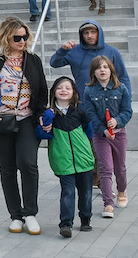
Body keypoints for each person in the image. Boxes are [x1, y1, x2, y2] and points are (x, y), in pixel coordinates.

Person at [0, 17, 49, 236]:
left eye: (25, 37)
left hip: (27, 119)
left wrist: (42, 114)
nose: (22, 41)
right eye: (18, 37)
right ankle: (16, 216)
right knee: (7, 169)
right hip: (0, 121)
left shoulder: (33, 59)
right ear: (7, 36)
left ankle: (30, 213)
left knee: (28, 163)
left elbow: (42, 89)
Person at [37, 77, 95, 239]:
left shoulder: (80, 111)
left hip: (84, 160)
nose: (63, 90)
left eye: (67, 88)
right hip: (63, 160)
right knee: (67, 192)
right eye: (59, 88)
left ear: (74, 92)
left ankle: (85, 219)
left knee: (86, 192)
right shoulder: (49, 114)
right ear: (54, 92)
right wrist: (47, 118)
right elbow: (42, 134)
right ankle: (66, 224)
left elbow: (89, 132)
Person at [82, 56, 132, 219]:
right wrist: (102, 129)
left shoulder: (121, 88)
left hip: (119, 134)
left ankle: (121, 191)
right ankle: (108, 203)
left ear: (111, 70)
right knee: (105, 168)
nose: (102, 70)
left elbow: (127, 111)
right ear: (93, 72)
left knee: (120, 168)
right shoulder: (89, 91)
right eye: (98, 68)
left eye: (105, 67)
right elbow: (91, 114)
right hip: (100, 135)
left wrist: (117, 121)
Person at [50, 20, 131, 94]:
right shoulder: (74, 51)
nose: (90, 36)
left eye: (93, 32)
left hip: (108, 98)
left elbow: (123, 76)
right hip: (82, 98)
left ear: (99, 33)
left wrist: (127, 99)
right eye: (86, 33)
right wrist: (62, 51)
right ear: (81, 35)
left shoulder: (112, 51)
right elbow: (54, 63)